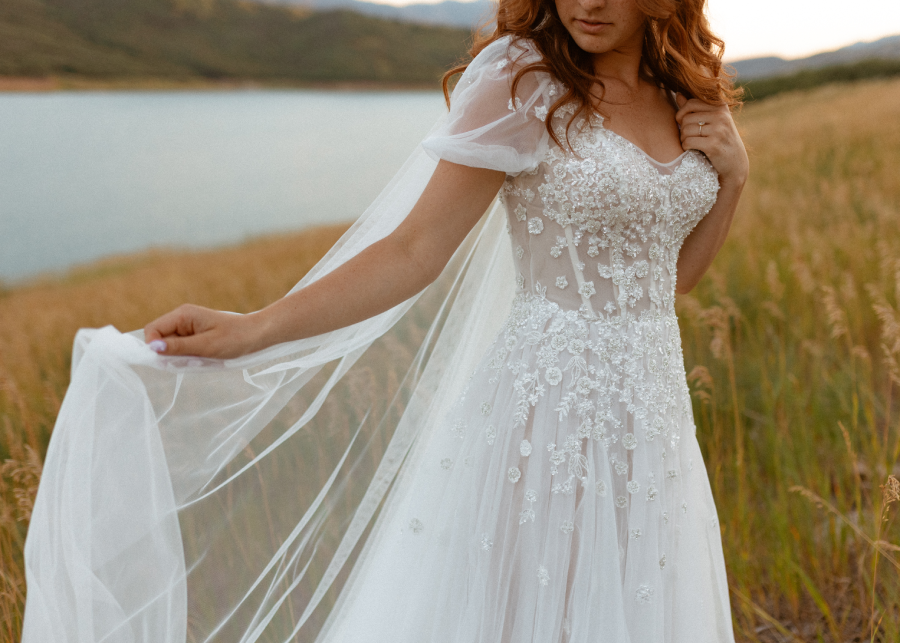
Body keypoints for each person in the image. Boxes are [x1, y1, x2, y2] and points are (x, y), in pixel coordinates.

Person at [22, 0, 747, 640]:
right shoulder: (524, 79)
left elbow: (666, 281)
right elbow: (413, 249)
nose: (586, 3)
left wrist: (732, 177)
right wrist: (257, 326)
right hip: (544, 416)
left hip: (652, 420)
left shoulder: (684, 94)